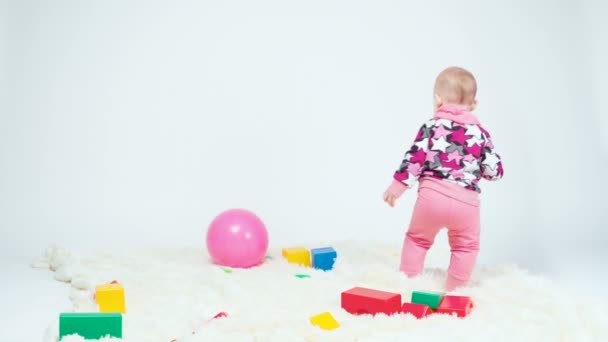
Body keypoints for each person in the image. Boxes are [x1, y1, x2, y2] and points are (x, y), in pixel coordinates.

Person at [383, 66, 504, 291]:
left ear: (438, 99)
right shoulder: (481, 134)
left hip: (431, 199)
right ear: (473, 105)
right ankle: (455, 292)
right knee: (465, 248)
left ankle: (407, 283)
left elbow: (414, 159)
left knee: (417, 240)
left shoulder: (430, 127)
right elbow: (493, 171)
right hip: (465, 205)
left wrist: (396, 187)